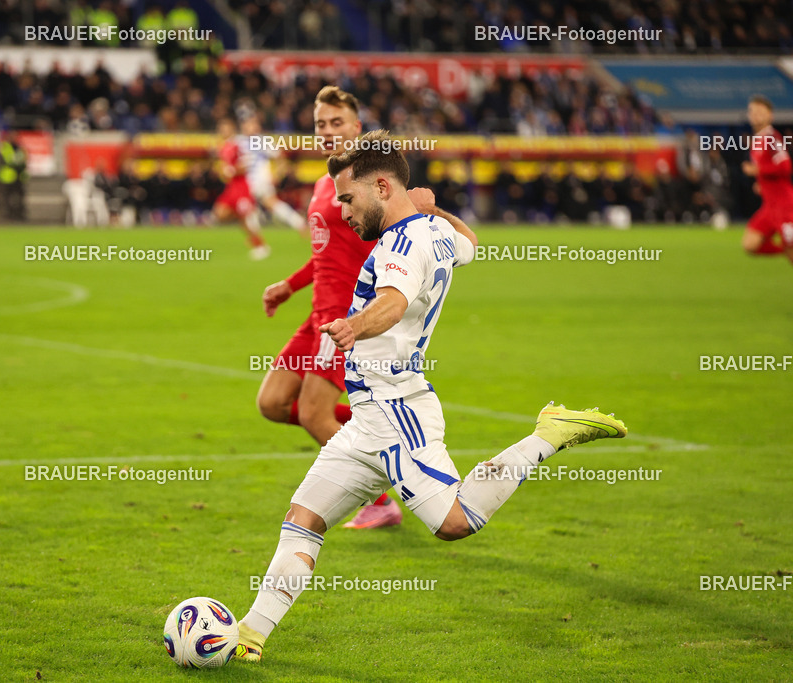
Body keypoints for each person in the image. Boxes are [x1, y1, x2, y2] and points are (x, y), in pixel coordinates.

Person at [235, 130, 627, 662]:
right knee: (303, 518)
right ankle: (249, 637)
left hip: (397, 411)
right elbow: (471, 243)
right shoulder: (433, 232)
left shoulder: (399, 246)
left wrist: (353, 326)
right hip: (367, 418)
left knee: (454, 523)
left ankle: (547, 435)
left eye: (348, 199)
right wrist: (434, 210)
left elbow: (393, 303)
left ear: (381, 187)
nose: (342, 212)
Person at [257, 86, 404, 530]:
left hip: (343, 317)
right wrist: (290, 285)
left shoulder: (372, 186)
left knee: (314, 414)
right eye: (320, 124)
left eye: (336, 123)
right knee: (273, 403)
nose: (327, 131)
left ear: (356, 127)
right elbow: (325, 253)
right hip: (316, 315)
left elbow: (396, 241)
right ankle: (382, 435)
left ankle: (381, 499)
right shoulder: (328, 182)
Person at [741, 95, 793, 264]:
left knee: (791, 251)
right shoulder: (758, 140)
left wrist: (758, 170)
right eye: (752, 112)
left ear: (770, 115)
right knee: (750, 244)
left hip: (784, 206)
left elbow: (785, 166)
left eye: (760, 112)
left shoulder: (772, 138)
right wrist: (761, 183)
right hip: (770, 207)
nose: (755, 116)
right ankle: (785, 249)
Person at [212, 117, 270, 260]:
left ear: (232, 129)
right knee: (220, 214)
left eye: (225, 128)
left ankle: (261, 246)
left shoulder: (238, 145)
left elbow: (247, 164)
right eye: (221, 129)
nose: (223, 131)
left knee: (244, 218)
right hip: (231, 187)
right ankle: (250, 216)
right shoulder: (223, 147)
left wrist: (232, 170)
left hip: (241, 186)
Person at [0, 131, 28, 221]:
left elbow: (24, 162)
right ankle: (8, 216)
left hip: (19, 177)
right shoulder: (4, 147)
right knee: (7, 198)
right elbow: (6, 162)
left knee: (19, 197)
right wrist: (17, 163)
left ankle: (19, 215)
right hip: (7, 177)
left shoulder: (20, 148)